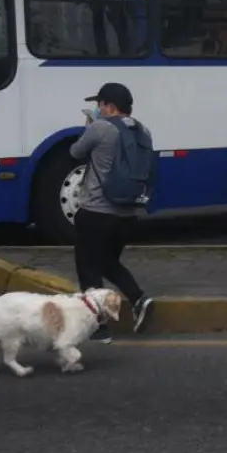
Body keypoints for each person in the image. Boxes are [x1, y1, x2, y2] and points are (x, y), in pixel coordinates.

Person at [70, 82, 156, 343]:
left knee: (88, 269)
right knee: (108, 262)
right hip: (127, 215)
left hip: (96, 211)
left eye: (100, 105)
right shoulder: (143, 131)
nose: (98, 109)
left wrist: (88, 127)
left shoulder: (100, 128)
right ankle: (140, 299)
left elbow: (75, 152)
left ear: (110, 106)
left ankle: (98, 328)